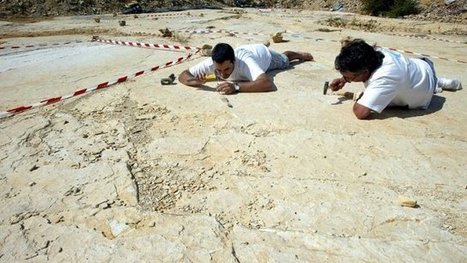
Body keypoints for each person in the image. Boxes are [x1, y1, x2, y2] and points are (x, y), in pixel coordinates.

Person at [330, 38, 462, 120]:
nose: (348, 79)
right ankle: (439, 82)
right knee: (404, 81)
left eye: (350, 77)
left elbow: (360, 112)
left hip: (424, 93)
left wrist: (362, 101)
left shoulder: (385, 77)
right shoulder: (375, 54)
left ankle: (438, 83)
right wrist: (344, 79)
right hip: (423, 67)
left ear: (364, 71)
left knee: (378, 100)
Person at [178, 43, 313, 94]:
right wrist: (195, 81)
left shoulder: (246, 62)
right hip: (249, 51)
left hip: (266, 57)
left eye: (227, 69)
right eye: (218, 70)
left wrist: (236, 87)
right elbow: (183, 74)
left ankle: (296, 54)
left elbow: (267, 84)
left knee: (285, 61)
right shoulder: (211, 63)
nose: (222, 74)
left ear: (234, 61)